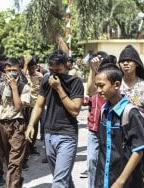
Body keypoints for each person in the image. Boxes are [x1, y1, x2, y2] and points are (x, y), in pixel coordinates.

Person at [25, 50, 84, 188]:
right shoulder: (46, 79)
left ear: (66, 67)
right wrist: (31, 125)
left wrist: (59, 88)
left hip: (67, 135)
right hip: (49, 134)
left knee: (58, 183)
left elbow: (75, 110)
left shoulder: (75, 82)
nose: (55, 74)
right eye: (51, 70)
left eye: (59, 70)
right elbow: (39, 105)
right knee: (62, 178)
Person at [94, 63, 144, 188]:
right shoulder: (104, 110)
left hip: (127, 182)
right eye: (96, 86)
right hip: (104, 179)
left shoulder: (130, 113)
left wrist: (120, 182)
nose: (98, 90)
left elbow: (138, 151)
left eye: (102, 86)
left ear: (117, 85)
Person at [0, 58, 31, 188]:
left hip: (17, 125)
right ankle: (16, 182)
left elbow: (18, 107)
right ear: (5, 70)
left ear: (19, 71)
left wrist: (14, 88)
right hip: (1, 125)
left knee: (15, 162)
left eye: (15, 70)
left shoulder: (24, 87)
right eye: (9, 70)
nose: (12, 73)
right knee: (9, 160)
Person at [83, 52, 116, 187]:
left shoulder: (113, 80)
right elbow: (90, 91)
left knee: (110, 163)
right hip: (94, 129)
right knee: (92, 161)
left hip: (110, 127)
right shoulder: (95, 78)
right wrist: (92, 70)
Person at [118, 45, 144, 121]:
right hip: (118, 131)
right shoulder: (116, 86)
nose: (125, 63)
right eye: (122, 61)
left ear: (137, 64)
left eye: (129, 60)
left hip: (140, 130)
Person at [21, 55, 43, 170]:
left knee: (34, 128)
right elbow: (20, 77)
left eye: (33, 67)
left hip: (35, 106)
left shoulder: (39, 76)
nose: (31, 69)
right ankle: (26, 151)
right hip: (25, 106)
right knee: (25, 129)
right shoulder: (23, 74)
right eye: (29, 67)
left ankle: (31, 147)